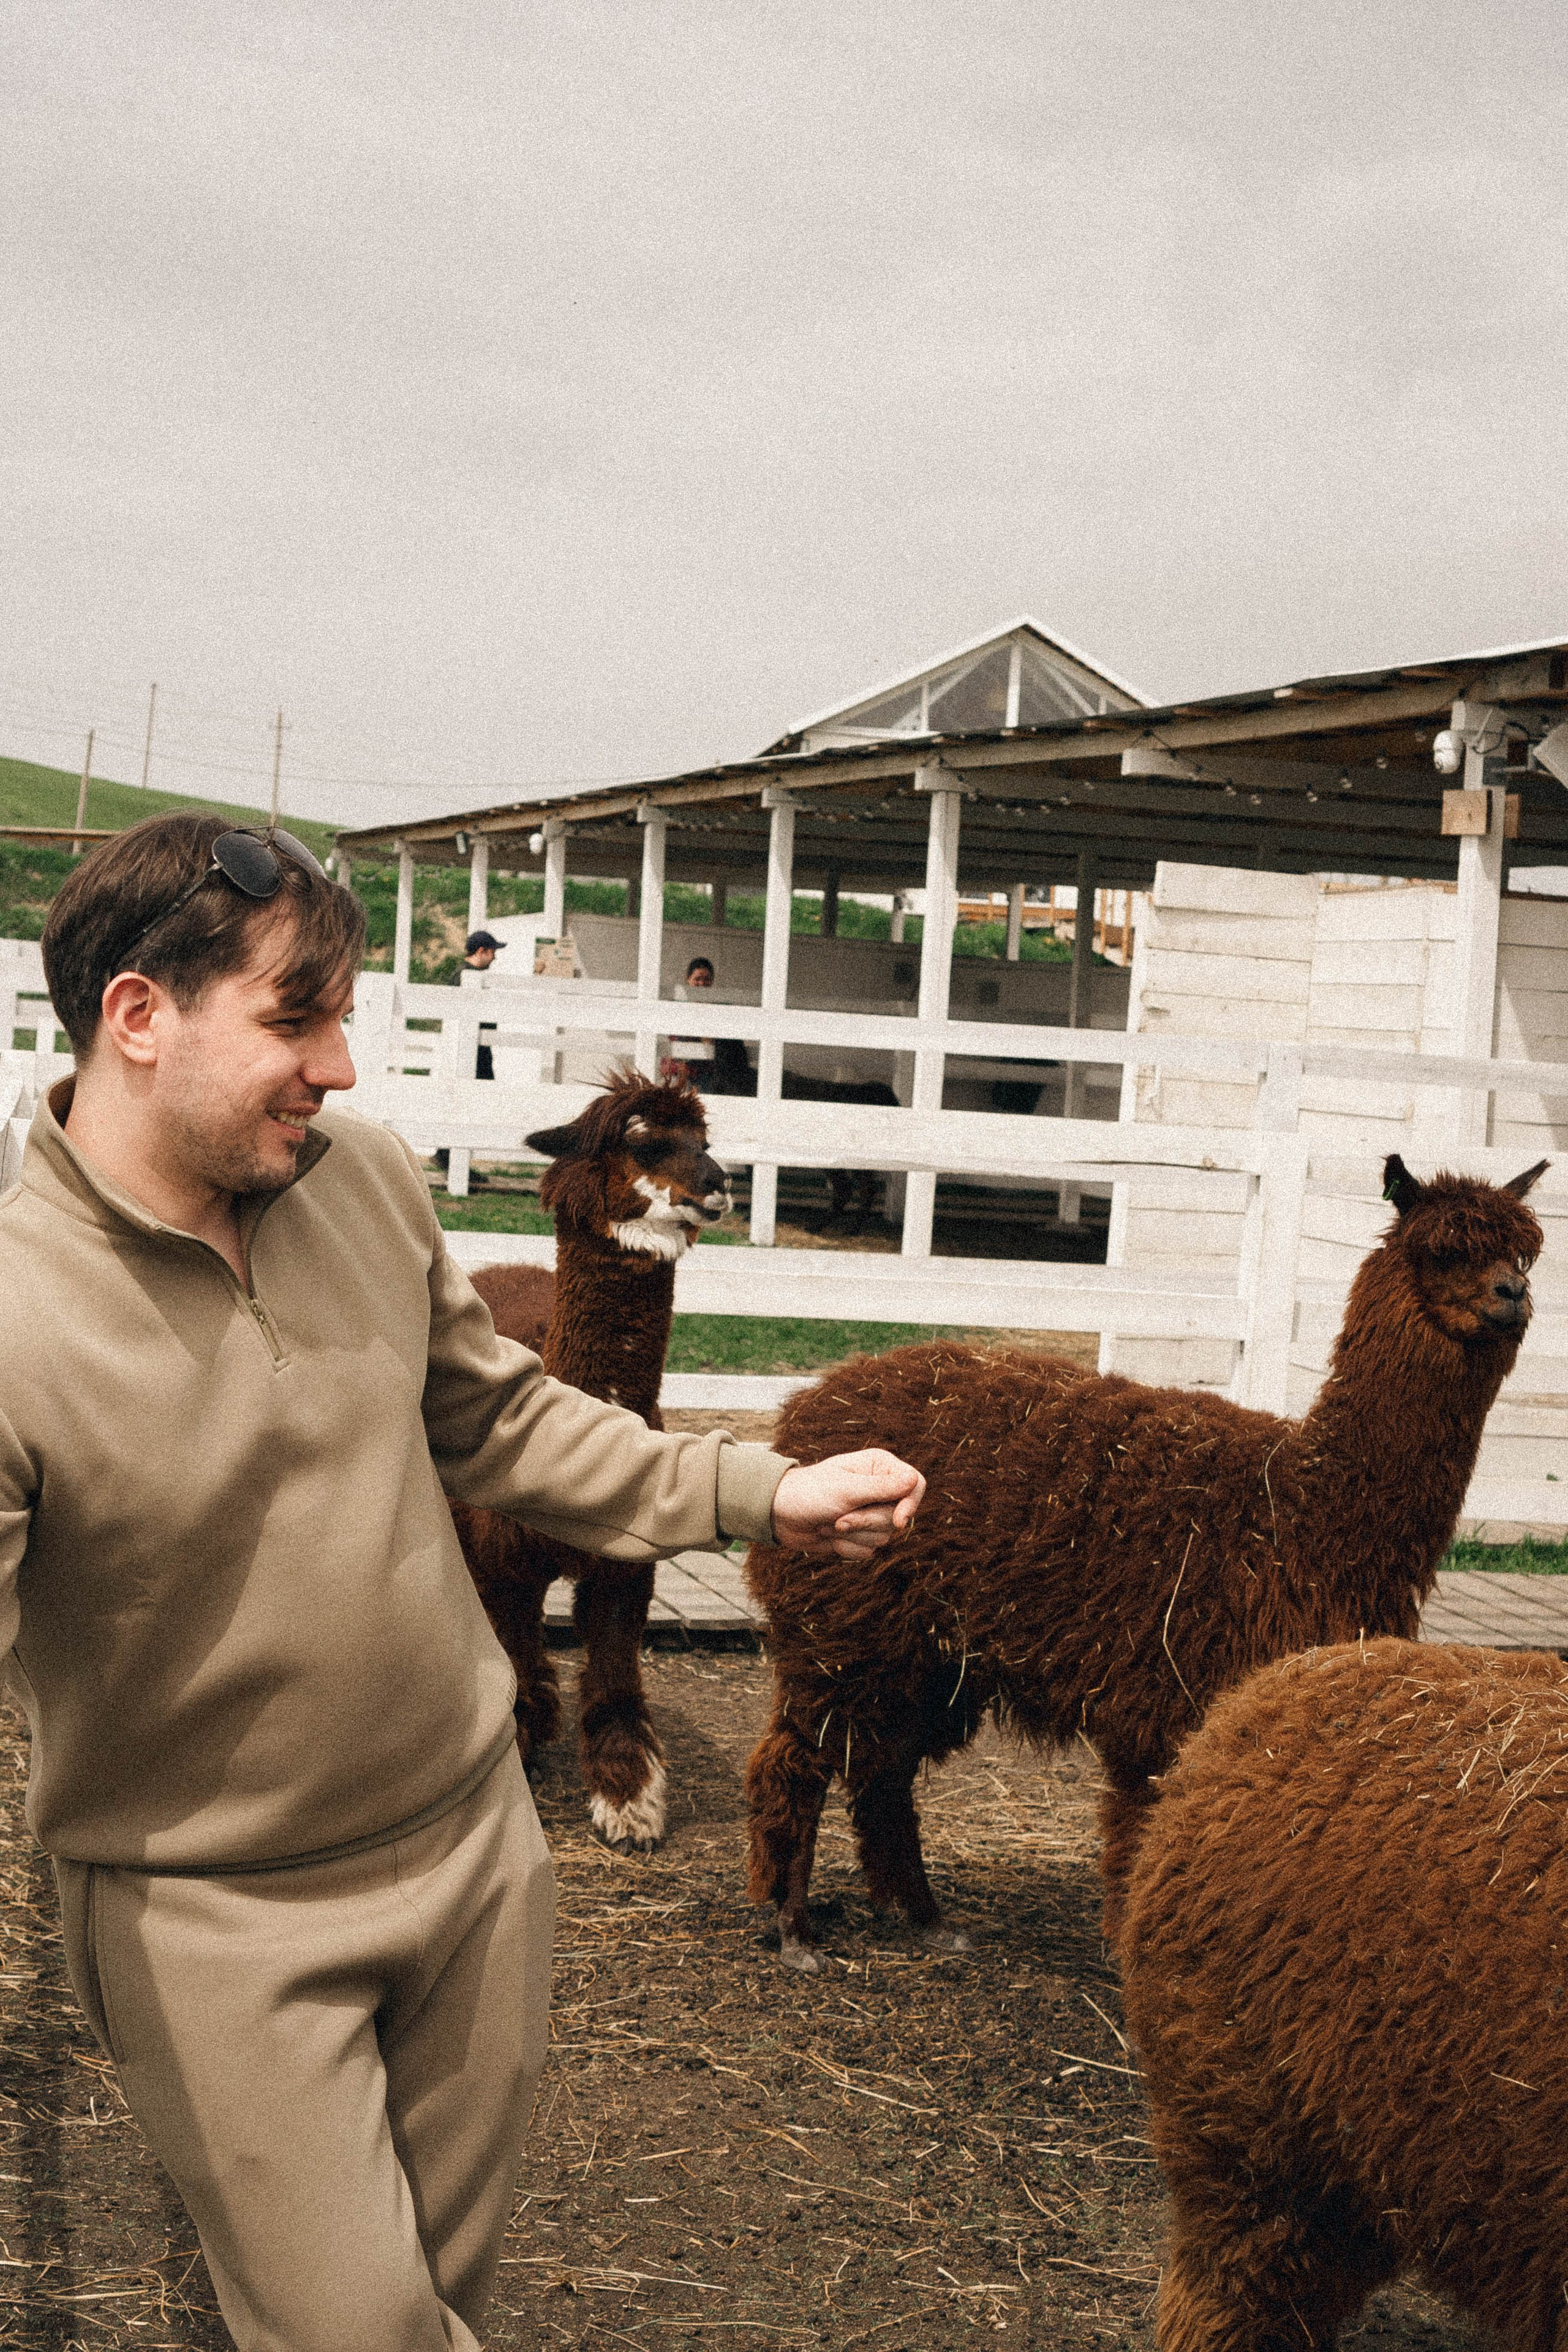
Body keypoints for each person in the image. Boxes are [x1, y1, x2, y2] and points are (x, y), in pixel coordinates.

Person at [3, 812, 925, 2352]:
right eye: (297, 1018)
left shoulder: (358, 1185)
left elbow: (495, 1413)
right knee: (360, 2328)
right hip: (209, 1919)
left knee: (442, 2295)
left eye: (345, 1017)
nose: (344, 1068)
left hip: (474, 1859)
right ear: (139, 1016)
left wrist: (756, 1489)